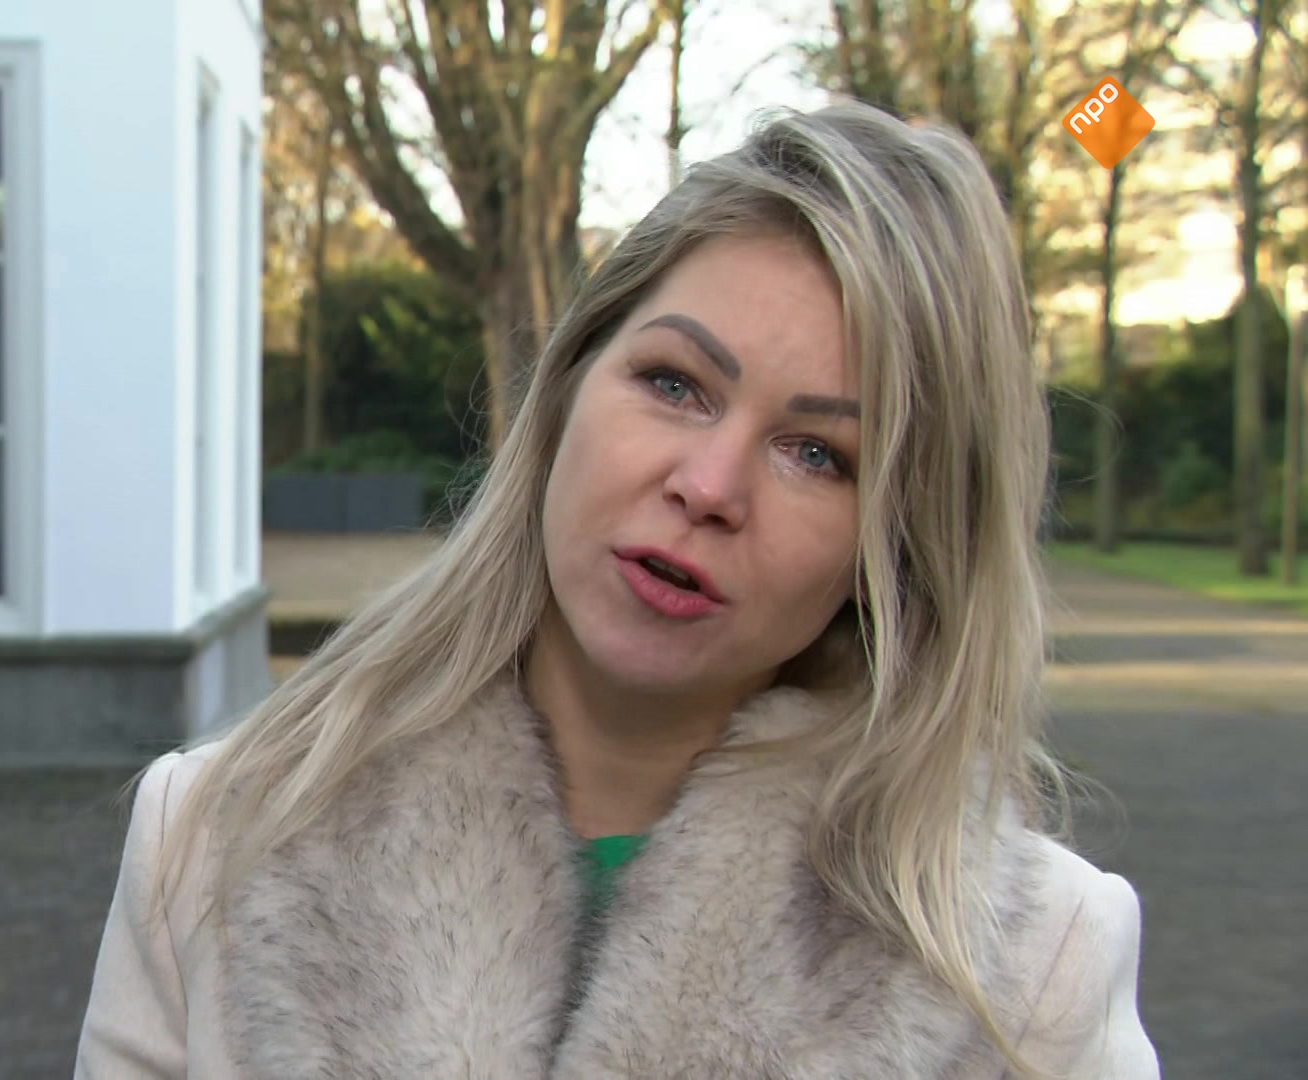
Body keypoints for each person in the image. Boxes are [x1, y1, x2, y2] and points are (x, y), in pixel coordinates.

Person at [73, 101, 1158, 1079]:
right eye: (675, 384)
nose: (709, 487)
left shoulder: (1036, 967)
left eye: (817, 454)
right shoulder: (210, 838)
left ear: (901, 545)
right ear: (567, 388)